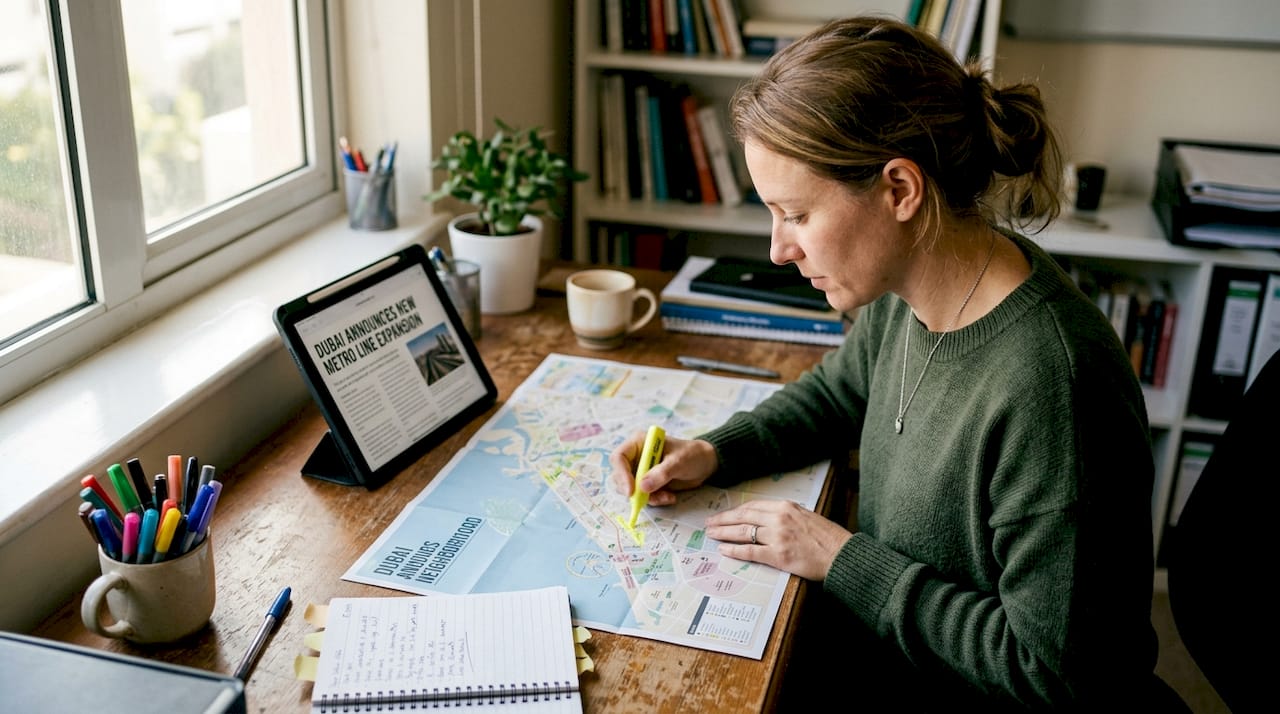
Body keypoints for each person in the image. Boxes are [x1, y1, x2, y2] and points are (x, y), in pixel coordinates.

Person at [611, 15, 1168, 712]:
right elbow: (839, 394)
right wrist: (714, 451)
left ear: (900, 191)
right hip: (886, 653)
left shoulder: (1055, 384)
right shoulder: (909, 284)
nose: (779, 249)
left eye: (796, 215)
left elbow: (1053, 675)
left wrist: (842, 559)